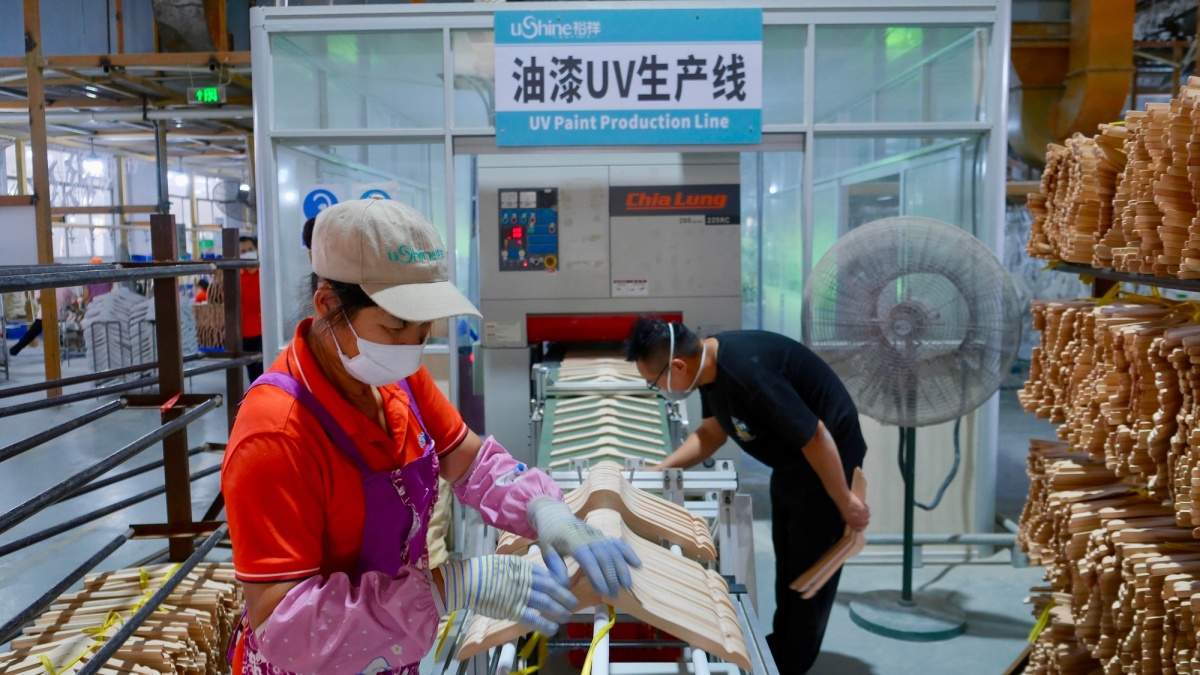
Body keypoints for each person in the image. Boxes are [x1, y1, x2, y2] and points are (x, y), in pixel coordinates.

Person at [222, 197, 641, 675]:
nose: (411, 347)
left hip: (390, 655)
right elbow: (285, 627)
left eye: (424, 330)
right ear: (328, 305)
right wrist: (448, 589)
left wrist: (543, 508)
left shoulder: (395, 379)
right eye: (395, 326)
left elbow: (471, 462)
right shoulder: (276, 435)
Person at [624, 317, 870, 674]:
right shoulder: (709, 370)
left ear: (677, 366)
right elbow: (711, 434)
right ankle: (780, 649)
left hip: (827, 462)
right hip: (794, 462)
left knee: (811, 574)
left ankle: (791, 664)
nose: (659, 389)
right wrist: (659, 470)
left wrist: (844, 500)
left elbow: (816, 436)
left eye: (655, 382)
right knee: (789, 562)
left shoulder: (746, 374)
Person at [9, 286, 80, 357]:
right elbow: (74, 303)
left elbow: (39, 300)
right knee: (58, 334)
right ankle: (60, 350)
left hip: (44, 315)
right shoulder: (66, 287)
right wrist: (78, 310)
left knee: (31, 334)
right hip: (59, 316)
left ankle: (15, 350)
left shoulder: (42, 286)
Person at [239, 236, 264, 383]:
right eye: (243, 251)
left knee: (263, 369)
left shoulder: (265, 274)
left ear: (256, 250)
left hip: (264, 331)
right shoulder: (235, 277)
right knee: (252, 374)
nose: (247, 253)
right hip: (244, 334)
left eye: (250, 249)